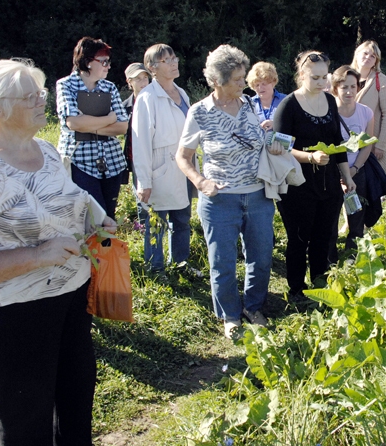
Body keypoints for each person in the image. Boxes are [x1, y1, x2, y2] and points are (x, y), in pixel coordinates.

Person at [0, 59, 117, 446]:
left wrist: (96, 217)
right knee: (26, 416)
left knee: (75, 399)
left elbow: (68, 197)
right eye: (30, 97)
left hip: (70, 298)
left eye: (40, 93)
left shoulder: (45, 150)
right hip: (13, 313)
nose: (43, 101)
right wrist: (39, 255)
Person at [176, 45, 284, 338]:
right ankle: (230, 316)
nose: (243, 83)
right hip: (219, 201)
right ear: (217, 81)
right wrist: (200, 182)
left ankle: (253, 307)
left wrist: (271, 139)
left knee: (261, 258)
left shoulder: (249, 104)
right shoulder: (200, 112)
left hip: (258, 196)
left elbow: (259, 140)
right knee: (222, 263)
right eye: (237, 79)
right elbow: (183, 157)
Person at [273, 51, 356, 303]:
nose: (322, 83)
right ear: (302, 75)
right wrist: (309, 157)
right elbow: (279, 147)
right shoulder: (288, 105)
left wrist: (346, 176)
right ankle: (297, 291)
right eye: (315, 78)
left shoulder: (330, 101)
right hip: (297, 184)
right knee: (299, 238)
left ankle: (320, 286)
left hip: (328, 183)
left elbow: (337, 143)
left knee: (324, 236)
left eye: (324, 77)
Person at [132, 45, 200, 277]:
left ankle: (181, 263)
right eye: (166, 60)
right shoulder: (147, 98)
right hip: (159, 169)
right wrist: (144, 181)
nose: (173, 63)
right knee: (156, 223)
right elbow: (140, 142)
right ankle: (155, 268)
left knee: (182, 220)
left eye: (174, 58)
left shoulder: (182, 93)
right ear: (152, 68)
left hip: (183, 167)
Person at [56, 37, 129, 218]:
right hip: (80, 162)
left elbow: (122, 126)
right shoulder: (66, 85)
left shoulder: (109, 87)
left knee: (109, 217)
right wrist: (108, 118)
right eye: (103, 61)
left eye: (108, 62)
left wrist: (88, 125)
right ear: (88, 62)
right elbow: (73, 123)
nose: (108, 66)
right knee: (91, 218)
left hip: (111, 162)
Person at [332, 65, 374, 249]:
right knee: (331, 215)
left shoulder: (366, 112)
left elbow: (367, 144)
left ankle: (353, 251)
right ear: (335, 88)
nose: (349, 91)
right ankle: (330, 253)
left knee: (356, 213)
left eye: (353, 86)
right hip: (332, 172)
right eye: (344, 87)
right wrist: (342, 173)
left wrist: (354, 169)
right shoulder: (328, 112)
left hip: (357, 169)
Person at [350, 40, 386, 171]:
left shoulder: (381, 80)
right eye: (365, 53)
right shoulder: (344, 76)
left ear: (376, 61)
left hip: (371, 144)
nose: (368, 58)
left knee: (371, 179)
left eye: (373, 56)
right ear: (357, 54)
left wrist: (381, 144)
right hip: (346, 142)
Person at [120, 62, 151, 183]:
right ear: (129, 82)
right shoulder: (124, 107)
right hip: (136, 159)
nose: (143, 82)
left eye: (145, 78)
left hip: (157, 158)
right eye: (138, 79)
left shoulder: (157, 101)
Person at [247, 61, 286, 131]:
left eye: (264, 84)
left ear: (273, 82)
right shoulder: (248, 104)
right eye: (257, 85)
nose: (260, 88)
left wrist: (276, 124)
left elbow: (296, 125)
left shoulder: (285, 101)